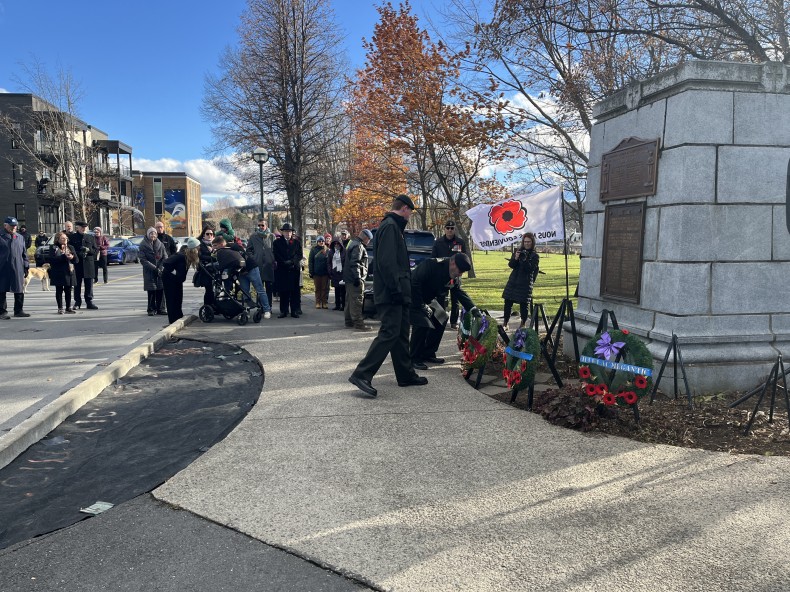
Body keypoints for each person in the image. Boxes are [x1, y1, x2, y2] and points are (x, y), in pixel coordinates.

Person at [348, 195, 427, 398]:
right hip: (393, 293)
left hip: (397, 292)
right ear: (404, 208)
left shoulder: (392, 226)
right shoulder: (391, 227)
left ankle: (406, 374)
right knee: (390, 333)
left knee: (400, 334)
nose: (410, 215)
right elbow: (387, 263)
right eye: (410, 211)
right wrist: (397, 290)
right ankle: (362, 374)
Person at [409, 253, 475, 370]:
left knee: (442, 318)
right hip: (412, 297)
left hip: (428, 300)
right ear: (453, 263)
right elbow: (414, 282)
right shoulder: (432, 265)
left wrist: (473, 309)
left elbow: (458, 292)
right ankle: (414, 358)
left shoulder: (453, 276)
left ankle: (428, 353)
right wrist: (421, 305)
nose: (460, 274)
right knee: (423, 322)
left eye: (462, 273)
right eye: (460, 270)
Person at [431, 220, 467, 329]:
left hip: (456, 274)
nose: (450, 230)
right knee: (441, 297)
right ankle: (441, 320)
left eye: (452, 228)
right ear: (444, 229)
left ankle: (453, 322)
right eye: (448, 228)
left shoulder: (460, 242)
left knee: (455, 298)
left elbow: (464, 259)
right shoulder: (438, 242)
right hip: (442, 274)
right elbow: (433, 258)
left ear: (454, 229)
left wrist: (461, 271)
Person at [502, 232, 540, 328]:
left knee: (524, 305)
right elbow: (511, 265)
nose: (527, 243)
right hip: (513, 281)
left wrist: (524, 260)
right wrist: (515, 258)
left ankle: (523, 324)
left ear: (532, 243)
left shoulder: (535, 256)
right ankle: (505, 323)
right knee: (507, 302)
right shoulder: (518, 251)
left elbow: (530, 269)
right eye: (525, 241)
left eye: (529, 242)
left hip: (525, 283)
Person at [162, 237, 201, 324]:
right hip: (169, 279)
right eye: (198, 248)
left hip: (177, 280)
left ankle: (178, 316)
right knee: (172, 299)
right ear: (194, 249)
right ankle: (172, 320)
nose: (199, 250)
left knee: (178, 297)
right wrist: (175, 273)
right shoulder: (180, 256)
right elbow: (166, 263)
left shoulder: (188, 257)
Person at [0, 216, 30, 319]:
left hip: (17, 267)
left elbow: (24, 254)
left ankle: (18, 310)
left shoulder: (20, 237)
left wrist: (26, 266)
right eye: (11, 226)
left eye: (15, 226)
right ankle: (2, 312)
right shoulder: (1, 236)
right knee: (1, 290)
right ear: (5, 225)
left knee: (19, 289)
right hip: (2, 268)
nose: (14, 228)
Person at [343, 228, 373, 331]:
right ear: (365, 238)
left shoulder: (352, 243)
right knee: (357, 300)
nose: (369, 242)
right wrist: (357, 277)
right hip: (355, 278)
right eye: (369, 239)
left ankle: (349, 321)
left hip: (348, 277)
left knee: (349, 300)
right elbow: (355, 263)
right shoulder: (359, 246)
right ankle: (359, 324)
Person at [272, 223, 303, 318]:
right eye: (286, 231)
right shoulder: (277, 243)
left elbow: (299, 255)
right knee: (283, 291)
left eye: (289, 231)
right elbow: (276, 254)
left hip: (294, 269)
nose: (288, 233)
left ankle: (294, 310)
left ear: (292, 232)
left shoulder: (297, 242)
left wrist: (292, 262)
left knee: (294, 292)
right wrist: (284, 262)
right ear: (282, 232)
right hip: (282, 269)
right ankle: (283, 311)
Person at [46, 231, 79, 314]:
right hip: (58, 272)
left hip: (69, 271)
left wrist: (72, 257)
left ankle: (68, 307)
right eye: (63, 238)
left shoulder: (70, 247)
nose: (65, 240)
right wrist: (64, 256)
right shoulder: (53, 247)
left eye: (66, 238)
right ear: (58, 239)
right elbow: (52, 260)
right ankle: (60, 308)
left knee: (68, 290)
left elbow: (77, 260)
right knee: (59, 290)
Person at [247, 219, 275, 307]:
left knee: (269, 288)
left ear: (266, 226)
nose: (260, 227)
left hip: (269, 265)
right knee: (259, 288)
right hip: (258, 265)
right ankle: (260, 307)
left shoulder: (271, 236)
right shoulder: (253, 237)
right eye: (259, 225)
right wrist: (254, 258)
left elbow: (275, 249)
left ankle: (268, 306)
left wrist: (272, 258)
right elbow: (248, 250)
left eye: (262, 225)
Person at [70, 221, 98, 309]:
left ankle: (89, 301)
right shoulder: (72, 237)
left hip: (88, 264)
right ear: (77, 228)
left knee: (89, 284)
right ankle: (77, 302)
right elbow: (70, 250)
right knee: (77, 284)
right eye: (82, 227)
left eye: (85, 227)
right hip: (77, 263)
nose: (83, 229)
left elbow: (95, 251)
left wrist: (88, 250)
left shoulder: (90, 237)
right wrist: (78, 253)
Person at [139, 227, 167, 316]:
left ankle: (161, 308)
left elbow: (165, 257)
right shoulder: (143, 245)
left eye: (154, 233)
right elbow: (143, 260)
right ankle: (151, 309)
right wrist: (154, 268)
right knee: (151, 290)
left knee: (160, 290)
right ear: (148, 235)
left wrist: (161, 267)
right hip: (149, 271)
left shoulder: (160, 244)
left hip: (160, 271)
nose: (153, 235)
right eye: (151, 233)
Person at [194, 226, 217, 311]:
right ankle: (207, 307)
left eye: (211, 234)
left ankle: (214, 305)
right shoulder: (200, 244)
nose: (209, 235)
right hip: (205, 270)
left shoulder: (214, 243)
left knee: (216, 290)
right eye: (207, 234)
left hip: (215, 269)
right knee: (209, 289)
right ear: (204, 235)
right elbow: (200, 256)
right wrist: (211, 256)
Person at [308, 235, 330, 309]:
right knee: (317, 288)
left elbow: (330, 262)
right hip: (316, 272)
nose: (321, 242)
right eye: (319, 241)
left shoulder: (327, 250)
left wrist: (330, 272)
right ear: (317, 242)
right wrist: (311, 271)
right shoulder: (313, 250)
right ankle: (318, 302)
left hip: (325, 272)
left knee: (324, 288)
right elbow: (310, 261)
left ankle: (324, 302)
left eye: (322, 241)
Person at [328, 236, 346, 311]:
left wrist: (345, 272)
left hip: (342, 273)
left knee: (343, 291)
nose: (336, 245)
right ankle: (337, 305)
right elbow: (329, 263)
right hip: (334, 273)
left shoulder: (344, 251)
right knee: (336, 290)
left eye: (338, 243)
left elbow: (346, 263)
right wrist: (330, 271)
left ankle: (343, 305)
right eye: (335, 244)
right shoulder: (331, 252)